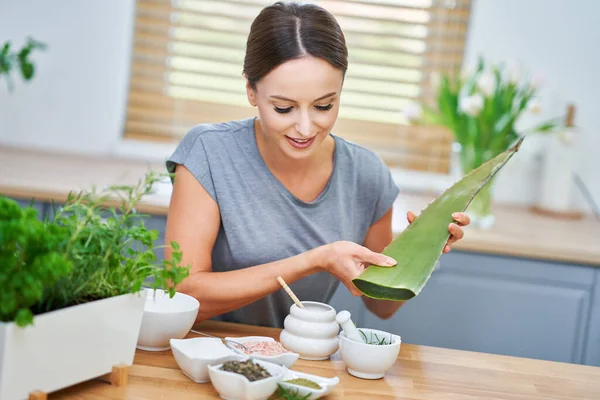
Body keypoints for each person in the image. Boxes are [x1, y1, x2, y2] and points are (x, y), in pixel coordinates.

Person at [164, 1, 470, 328]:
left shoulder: (366, 175)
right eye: (284, 108)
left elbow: (380, 305)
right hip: (206, 355)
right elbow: (181, 295)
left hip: (304, 363)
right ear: (251, 90)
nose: (306, 128)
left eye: (324, 106)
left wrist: (421, 248)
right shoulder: (210, 153)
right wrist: (314, 260)